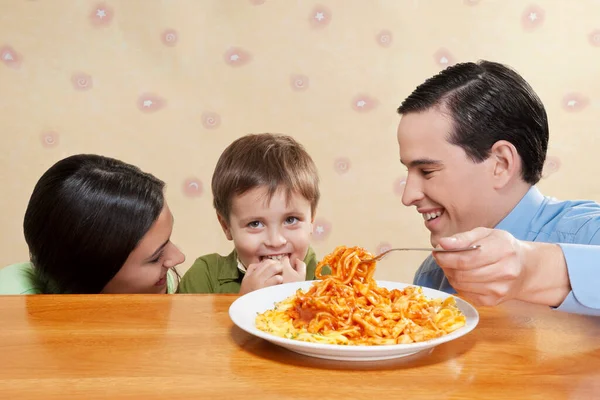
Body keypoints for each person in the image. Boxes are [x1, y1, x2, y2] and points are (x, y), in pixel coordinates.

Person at [395, 60, 600, 315]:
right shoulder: (432, 277)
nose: (408, 196)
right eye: (408, 171)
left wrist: (534, 269)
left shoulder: (590, 233)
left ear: (501, 164)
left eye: (427, 171)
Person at [0, 154, 185, 294]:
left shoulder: (156, 284)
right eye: (155, 257)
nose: (178, 257)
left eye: (168, 240)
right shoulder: (11, 312)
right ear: (90, 277)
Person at [178, 133, 320, 294]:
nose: (275, 241)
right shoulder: (204, 277)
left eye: (291, 220)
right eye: (255, 224)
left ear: (311, 220)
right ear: (226, 226)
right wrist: (245, 303)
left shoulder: (335, 278)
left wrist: (296, 299)